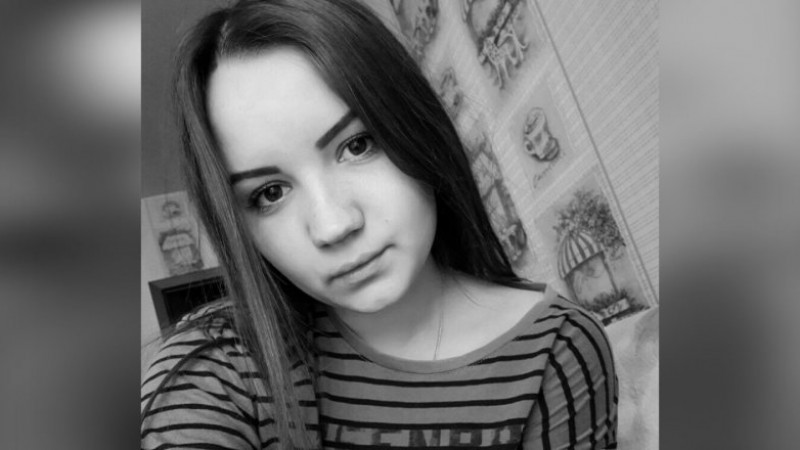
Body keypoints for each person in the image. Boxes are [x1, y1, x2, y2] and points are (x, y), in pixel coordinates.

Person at [140, 0, 618, 448]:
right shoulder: (219, 365)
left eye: (358, 145)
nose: (333, 226)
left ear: (415, 124)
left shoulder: (554, 347)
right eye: (270, 193)